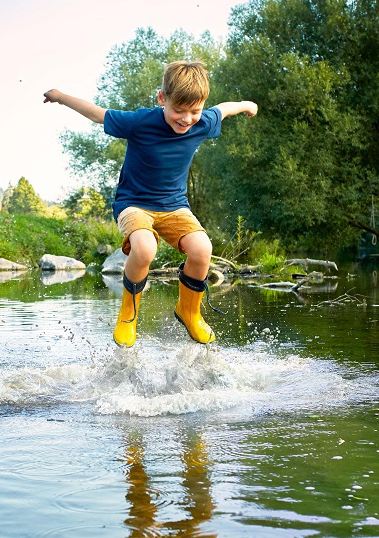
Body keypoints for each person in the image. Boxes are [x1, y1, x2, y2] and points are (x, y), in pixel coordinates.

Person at [43, 60, 257, 347]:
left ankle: (189, 312)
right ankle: (128, 315)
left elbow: (224, 108)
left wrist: (245, 104)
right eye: (178, 110)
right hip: (134, 203)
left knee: (203, 249)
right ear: (162, 99)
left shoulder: (202, 122)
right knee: (145, 247)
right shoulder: (141, 122)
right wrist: (59, 96)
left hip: (175, 206)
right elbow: (97, 114)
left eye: (194, 111)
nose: (186, 119)